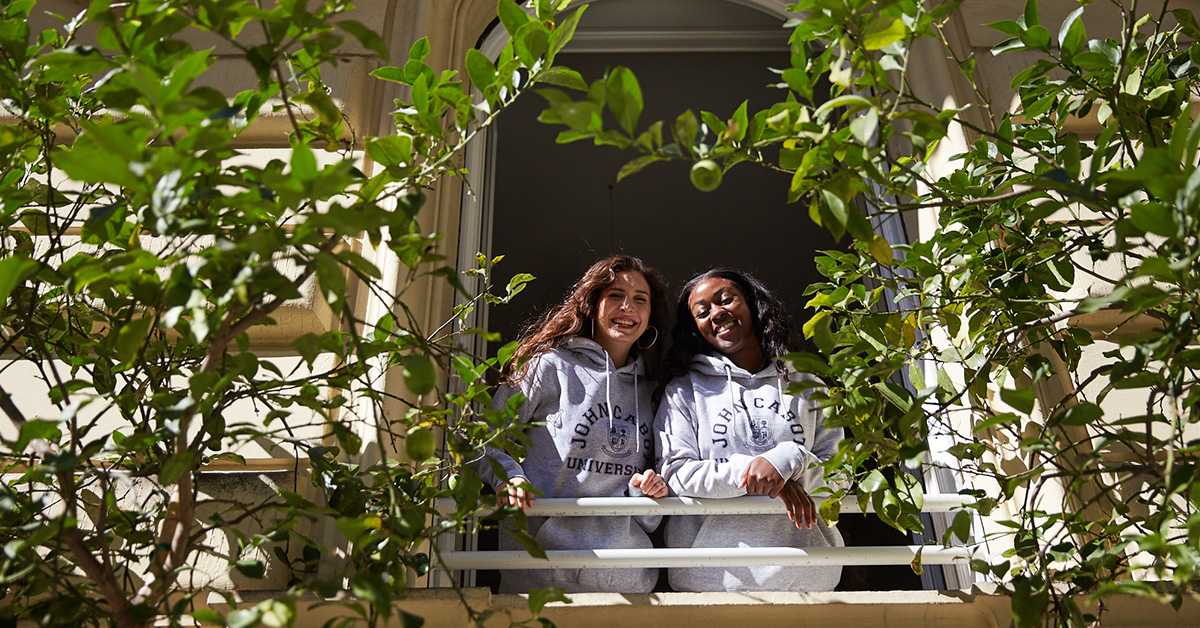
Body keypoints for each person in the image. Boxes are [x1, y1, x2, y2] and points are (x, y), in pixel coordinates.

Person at [476, 254, 670, 593]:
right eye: (615, 296)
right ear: (592, 304)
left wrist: (648, 489)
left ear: (650, 316)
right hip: (542, 578)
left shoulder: (653, 393)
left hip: (627, 583)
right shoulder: (548, 367)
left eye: (640, 300)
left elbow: (649, 516)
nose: (628, 307)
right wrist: (509, 477)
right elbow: (482, 441)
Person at [654, 268, 844, 592]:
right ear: (696, 329)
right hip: (712, 582)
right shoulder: (685, 392)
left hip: (807, 578)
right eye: (702, 312)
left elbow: (842, 474)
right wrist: (757, 475)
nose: (716, 313)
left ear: (752, 304)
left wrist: (790, 460)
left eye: (726, 299)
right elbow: (675, 472)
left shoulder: (808, 387)